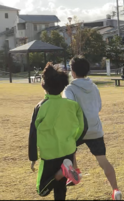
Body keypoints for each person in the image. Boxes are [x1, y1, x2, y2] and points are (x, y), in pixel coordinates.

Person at [63, 56, 122, 200]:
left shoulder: (69, 89)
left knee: (68, 150)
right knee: (103, 161)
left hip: (78, 130)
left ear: (72, 71)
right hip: (95, 128)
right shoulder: (94, 86)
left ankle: (75, 173)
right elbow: (99, 106)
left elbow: (68, 109)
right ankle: (115, 190)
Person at [29, 62, 87, 200]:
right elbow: (84, 127)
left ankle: (62, 172)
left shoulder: (41, 106)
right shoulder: (72, 105)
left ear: (44, 84)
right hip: (67, 151)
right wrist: (74, 142)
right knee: (60, 190)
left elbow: (33, 133)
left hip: (49, 154)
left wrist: (33, 158)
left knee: (42, 189)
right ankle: (64, 171)